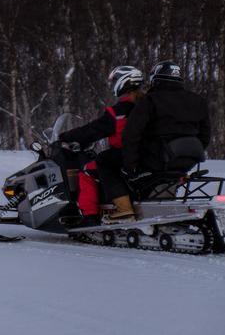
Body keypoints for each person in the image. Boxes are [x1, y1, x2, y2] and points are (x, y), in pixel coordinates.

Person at [58, 66, 145, 224]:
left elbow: (93, 130)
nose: (113, 86)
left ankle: (90, 216)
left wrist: (66, 136)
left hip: (125, 156)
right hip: (150, 156)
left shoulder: (118, 112)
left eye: (115, 82)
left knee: (87, 171)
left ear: (123, 83)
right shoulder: (149, 107)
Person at [122, 60, 211, 181]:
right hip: (190, 159)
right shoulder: (199, 100)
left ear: (155, 78)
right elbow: (205, 134)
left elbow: (131, 134)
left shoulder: (149, 100)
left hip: (157, 159)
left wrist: (131, 166)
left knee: (107, 160)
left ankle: (121, 198)